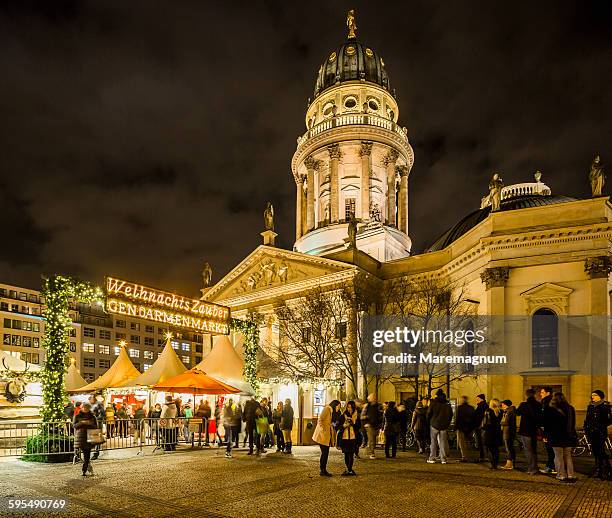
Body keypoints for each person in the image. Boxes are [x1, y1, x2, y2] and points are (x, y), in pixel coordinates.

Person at [543, 392, 577, 481]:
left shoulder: (550, 409)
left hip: (556, 436)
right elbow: (573, 423)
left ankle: (561, 474)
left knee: (558, 456)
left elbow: (547, 424)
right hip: (568, 435)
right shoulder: (570, 408)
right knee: (568, 456)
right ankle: (570, 474)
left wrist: (546, 435)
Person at [584, 390, 611, 480]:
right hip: (591, 432)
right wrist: (586, 428)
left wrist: (601, 425)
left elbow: (609, 419)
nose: (593, 397)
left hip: (600, 432)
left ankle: (604, 470)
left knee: (601, 451)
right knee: (595, 451)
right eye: (592, 395)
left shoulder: (605, 406)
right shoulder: (590, 406)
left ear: (600, 396)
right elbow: (587, 419)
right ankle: (598, 469)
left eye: (595, 395)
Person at [516, 388, 542, 475]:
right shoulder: (538, 404)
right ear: (534, 395)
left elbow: (517, 413)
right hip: (534, 430)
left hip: (525, 430)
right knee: (534, 449)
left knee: (528, 450)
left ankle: (532, 468)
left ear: (526, 395)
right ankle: (535, 467)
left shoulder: (524, 404)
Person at [313, 400, 341, 476]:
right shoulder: (327, 409)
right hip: (322, 434)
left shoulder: (333, 412)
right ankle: (322, 470)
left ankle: (323, 469)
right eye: (338, 406)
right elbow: (320, 419)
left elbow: (331, 422)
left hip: (327, 435)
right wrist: (323, 429)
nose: (339, 408)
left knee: (325, 452)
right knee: (325, 452)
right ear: (335, 405)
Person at [426, 389, 453, 464]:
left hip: (434, 424)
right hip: (444, 426)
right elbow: (451, 415)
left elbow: (429, 413)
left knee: (433, 442)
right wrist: (447, 423)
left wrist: (429, 421)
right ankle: (443, 459)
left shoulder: (433, 403)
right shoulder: (447, 404)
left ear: (437, 395)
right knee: (442, 442)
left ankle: (432, 458)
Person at [74, 403, 97, 477]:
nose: (85, 409)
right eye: (84, 407)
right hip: (81, 437)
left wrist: (89, 424)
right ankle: (87, 468)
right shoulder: (77, 416)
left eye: (87, 408)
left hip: (90, 437)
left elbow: (95, 426)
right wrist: (81, 423)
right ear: (82, 408)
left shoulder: (92, 416)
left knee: (87, 455)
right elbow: (74, 425)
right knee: (85, 454)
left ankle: (85, 469)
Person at [539, 386, 557, 475]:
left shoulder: (548, 403)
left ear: (548, 393)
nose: (540, 394)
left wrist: (545, 434)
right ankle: (551, 466)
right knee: (550, 450)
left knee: (551, 450)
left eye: (542, 392)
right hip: (549, 430)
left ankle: (551, 467)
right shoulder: (546, 402)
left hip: (549, 431)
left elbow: (546, 419)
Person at [339, 401, 359, 476]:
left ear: (353, 408)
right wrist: (344, 425)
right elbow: (338, 426)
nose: (349, 409)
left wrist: (353, 423)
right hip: (345, 437)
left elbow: (359, 426)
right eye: (348, 407)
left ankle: (349, 469)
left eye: (351, 407)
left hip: (353, 438)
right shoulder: (343, 415)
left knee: (351, 454)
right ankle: (348, 469)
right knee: (346, 454)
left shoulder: (357, 416)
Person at [481, 398, 502, 469]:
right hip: (497, 432)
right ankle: (495, 464)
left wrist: (483, 428)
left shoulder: (488, 411)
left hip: (489, 432)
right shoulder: (500, 412)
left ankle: (492, 464)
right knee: (496, 449)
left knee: (489, 449)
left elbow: (485, 422)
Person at [361, 393, 383, 459]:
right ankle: (371, 453)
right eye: (372, 397)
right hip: (369, 425)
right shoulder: (367, 406)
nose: (374, 399)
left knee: (374, 439)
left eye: (374, 397)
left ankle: (368, 449)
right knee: (371, 440)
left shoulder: (378, 406)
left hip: (376, 425)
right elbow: (362, 416)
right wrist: (366, 421)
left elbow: (380, 414)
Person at [455, 396, 475, 462]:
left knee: (462, 443)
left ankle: (464, 456)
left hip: (461, 427)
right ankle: (469, 455)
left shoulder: (460, 408)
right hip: (469, 427)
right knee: (468, 442)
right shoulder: (471, 408)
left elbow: (457, 418)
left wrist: (455, 427)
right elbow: (473, 418)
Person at [500, 400, 517, 470]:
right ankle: (511, 463)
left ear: (506, 405)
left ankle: (509, 464)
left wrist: (499, 422)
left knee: (508, 448)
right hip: (509, 431)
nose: (502, 406)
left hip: (508, 432)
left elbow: (506, 422)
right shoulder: (510, 411)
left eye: (502, 405)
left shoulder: (509, 411)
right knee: (510, 447)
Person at [472, 394, 488, 463]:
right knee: (482, 443)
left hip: (480, 427)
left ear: (482, 399)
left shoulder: (482, 406)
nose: (476, 400)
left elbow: (478, 416)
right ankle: (483, 456)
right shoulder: (483, 405)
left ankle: (483, 457)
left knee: (482, 442)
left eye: (477, 399)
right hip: (481, 426)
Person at [88, 395, 105, 460]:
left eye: (90, 399)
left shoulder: (99, 404)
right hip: (92, 424)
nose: (89, 401)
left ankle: (96, 453)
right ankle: (93, 452)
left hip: (97, 424)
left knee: (97, 438)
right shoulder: (90, 405)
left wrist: (96, 419)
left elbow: (102, 414)